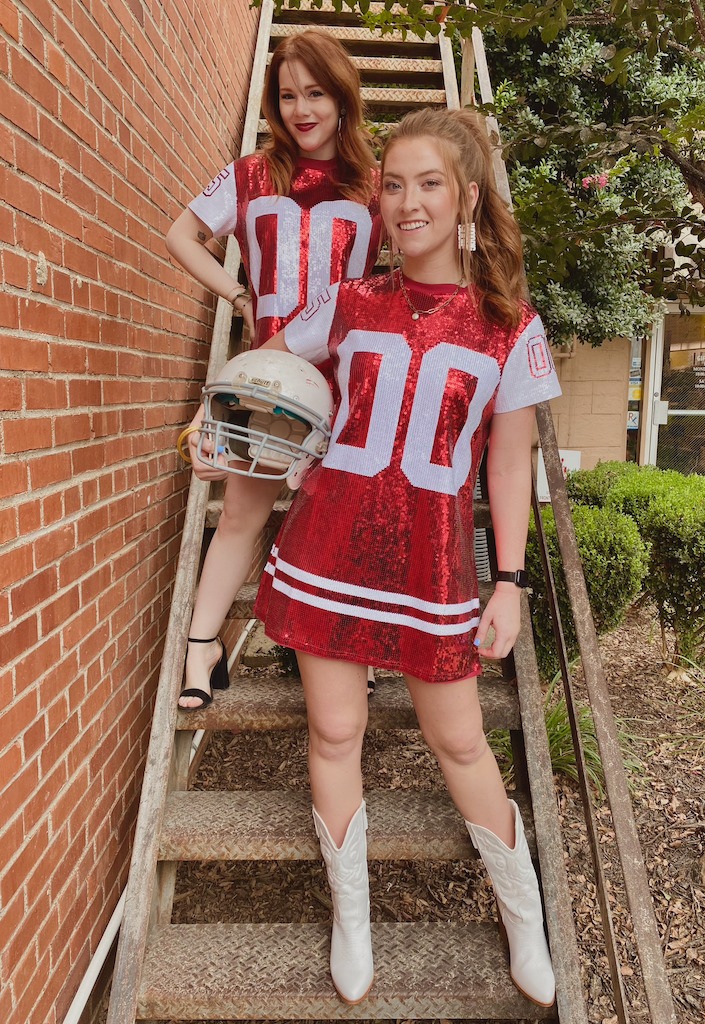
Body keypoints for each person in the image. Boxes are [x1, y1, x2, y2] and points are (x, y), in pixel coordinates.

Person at [252, 107, 561, 1008]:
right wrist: (233, 431)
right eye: (393, 183)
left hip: (430, 570)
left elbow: (508, 463)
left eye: (429, 184)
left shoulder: (511, 325)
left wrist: (508, 580)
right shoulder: (348, 302)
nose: (407, 201)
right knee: (334, 732)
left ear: (466, 197)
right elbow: (265, 372)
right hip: (328, 549)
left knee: (460, 738)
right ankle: (354, 918)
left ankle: (524, 917)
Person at [165, 30, 382, 709]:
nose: (301, 108)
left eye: (315, 92)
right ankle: (203, 647)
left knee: (347, 516)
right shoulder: (249, 174)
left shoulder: (377, 185)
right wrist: (236, 295)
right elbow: (181, 235)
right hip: (268, 378)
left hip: (350, 380)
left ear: (342, 97)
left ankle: (353, 644)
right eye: (287, 95)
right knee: (240, 513)